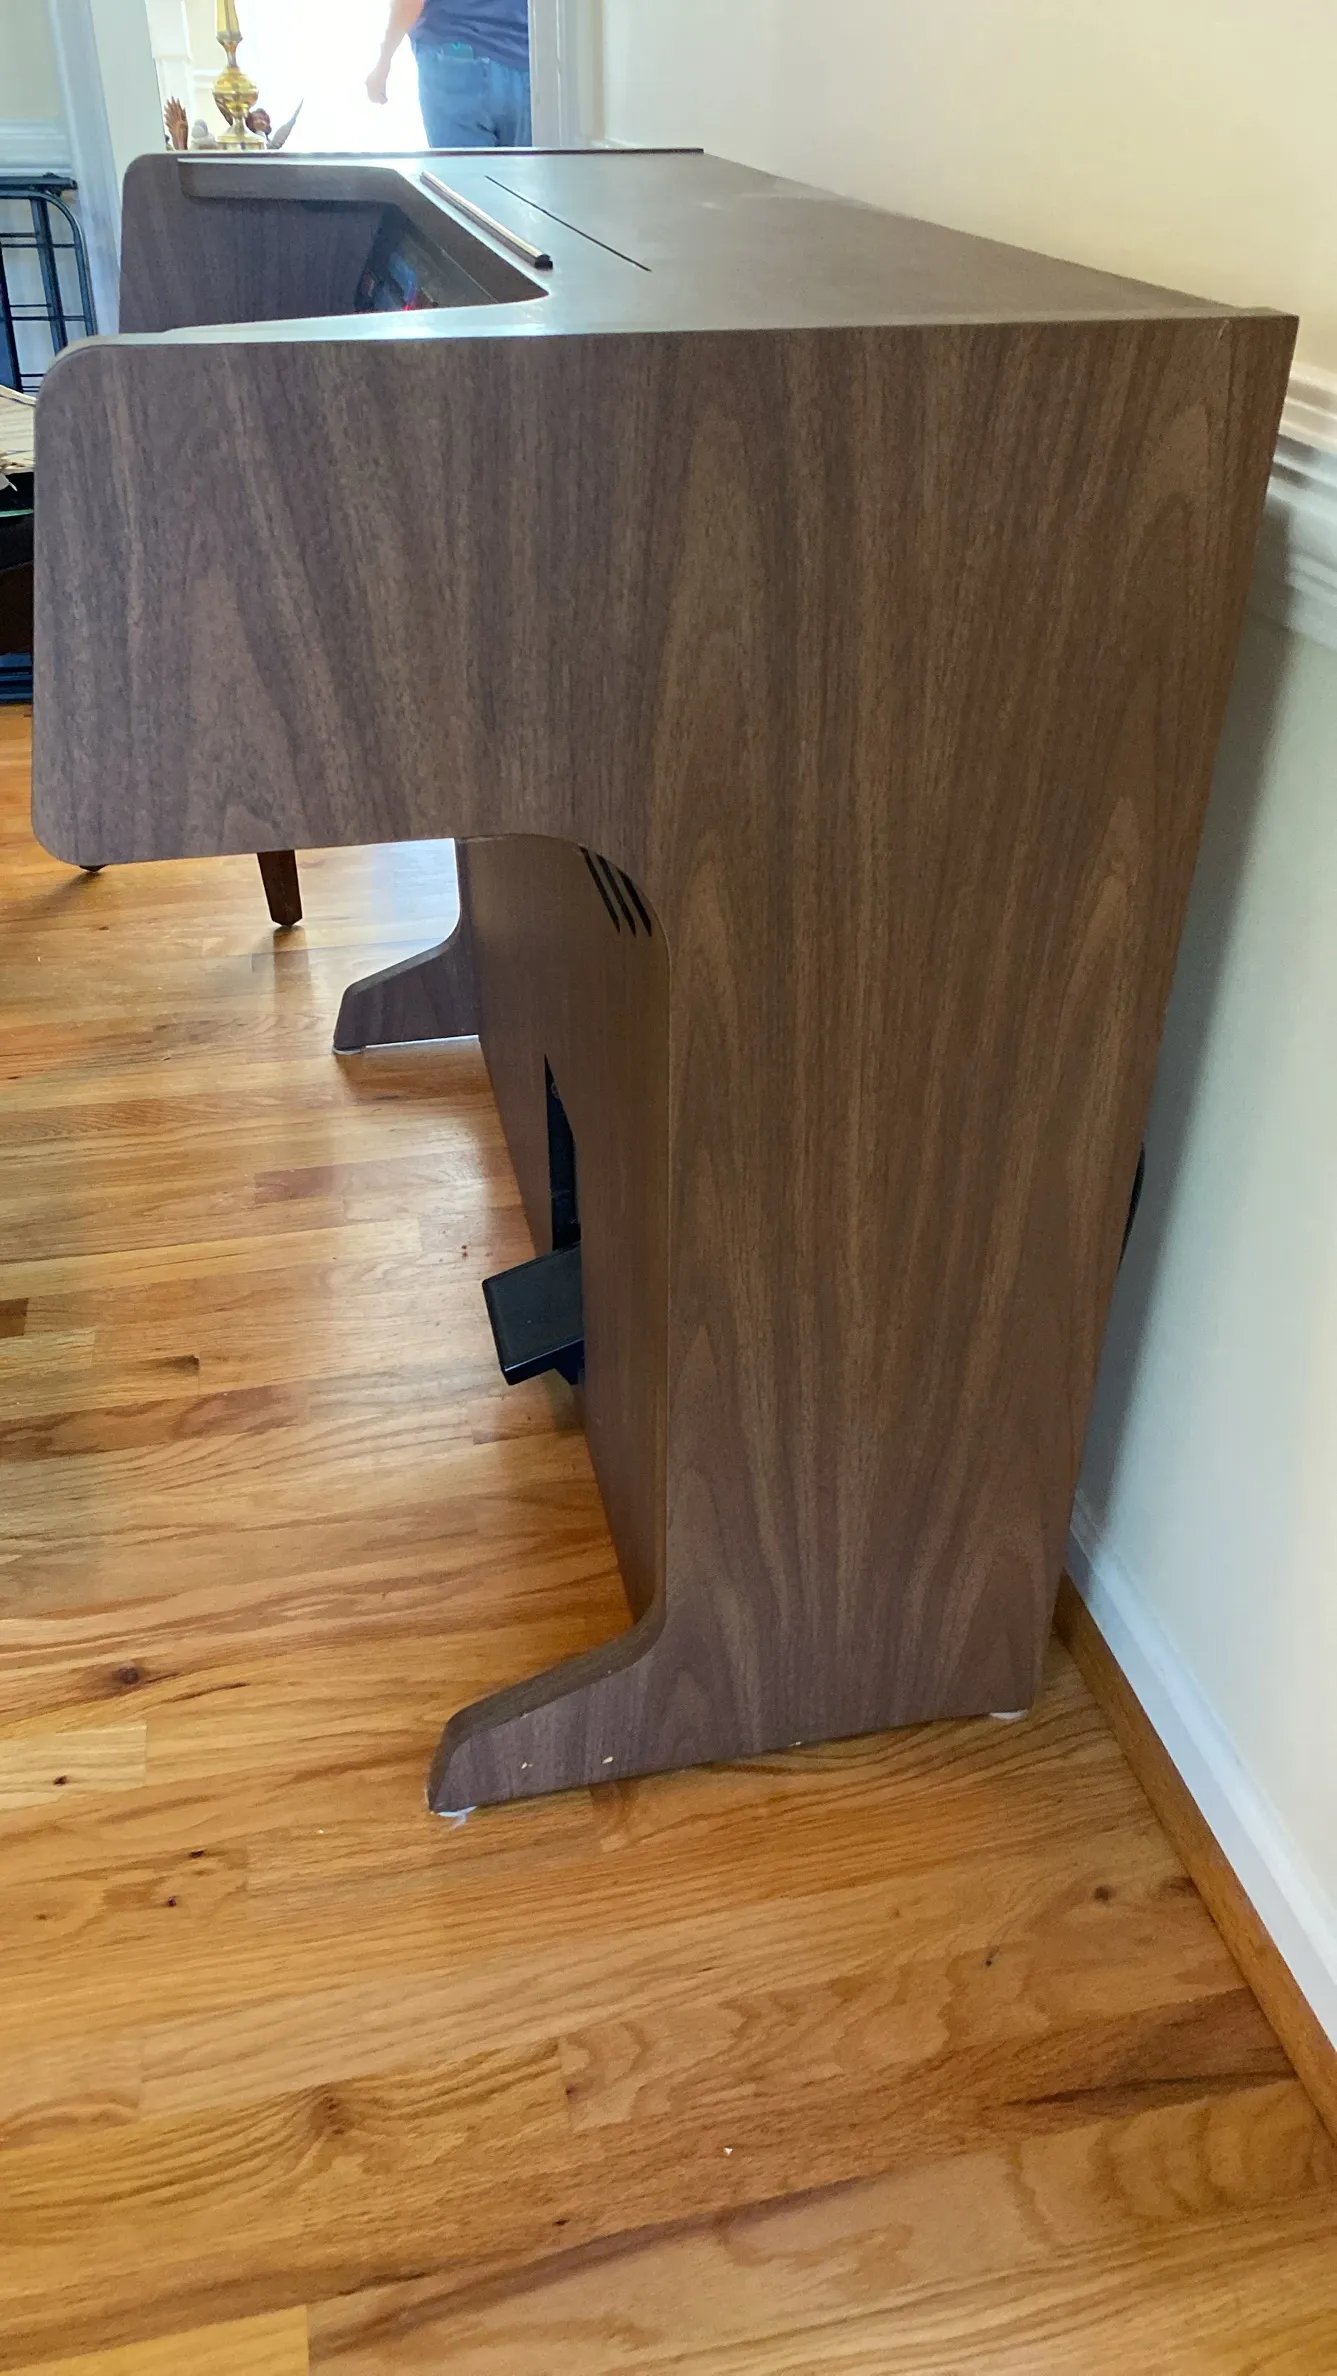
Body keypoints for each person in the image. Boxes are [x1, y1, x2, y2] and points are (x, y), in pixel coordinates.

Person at [367, 0, 531, 149]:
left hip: (455, 65)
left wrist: (383, 61)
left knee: (460, 172)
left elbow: (409, 3)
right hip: (525, 69)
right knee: (525, 170)